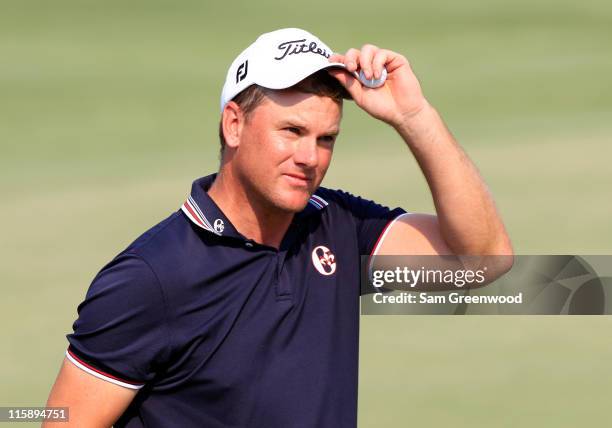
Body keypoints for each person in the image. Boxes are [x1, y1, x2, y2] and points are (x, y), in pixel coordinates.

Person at [44, 28, 512, 427]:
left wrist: (414, 117)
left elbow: (485, 261)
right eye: (291, 131)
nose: (310, 158)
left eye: (325, 138)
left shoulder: (338, 226)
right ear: (234, 125)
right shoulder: (152, 278)